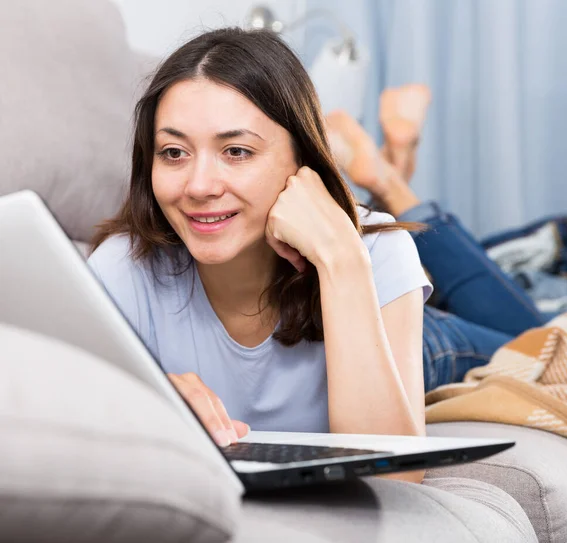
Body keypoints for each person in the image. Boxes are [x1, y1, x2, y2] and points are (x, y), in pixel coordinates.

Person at [86, 27, 433, 484]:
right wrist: (144, 404)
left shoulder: (377, 252)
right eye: (173, 152)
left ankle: (391, 175)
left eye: (236, 151)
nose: (199, 186)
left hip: (418, 336)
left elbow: (393, 482)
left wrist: (341, 261)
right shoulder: (120, 270)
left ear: (301, 160)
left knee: (515, 326)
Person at [325, 88, 567, 392]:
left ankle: (392, 183)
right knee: (542, 351)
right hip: (557, 296)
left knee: (535, 346)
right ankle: (389, 184)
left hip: (541, 285)